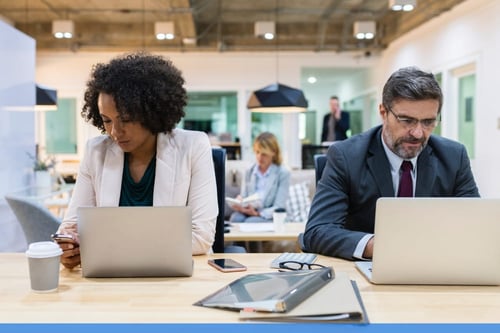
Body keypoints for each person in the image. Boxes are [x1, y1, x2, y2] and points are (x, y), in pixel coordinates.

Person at [55, 52, 218, 269]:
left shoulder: (193, 146)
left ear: (151, 112)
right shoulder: (96, 152)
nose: (115, 131)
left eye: (126, 120)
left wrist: (102, 246)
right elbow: (72, 227)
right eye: (106, 120)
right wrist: (69, 247)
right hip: (109, 276)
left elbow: (201, 237)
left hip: (176, 277)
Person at [302, 66, 480, 261]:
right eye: (406, 120)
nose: (418, 133)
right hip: (368, 272)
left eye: (428, 122)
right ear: (383, 112)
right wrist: (378, 246)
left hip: (434, 267)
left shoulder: (454, 157)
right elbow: (317, 232)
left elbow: (475, 227)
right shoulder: (346, 156)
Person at [229, 132, 290, 222]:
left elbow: (279, 207)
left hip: (269, 216)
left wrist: (258, 214)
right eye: (257, 152)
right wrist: (240, 201)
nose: (259, 157)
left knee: (251, 221)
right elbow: (244, 196)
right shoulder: (249, 171)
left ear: (273, 152)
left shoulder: (283, 173)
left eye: (264, 154)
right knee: (235, 218)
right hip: (249, 212)